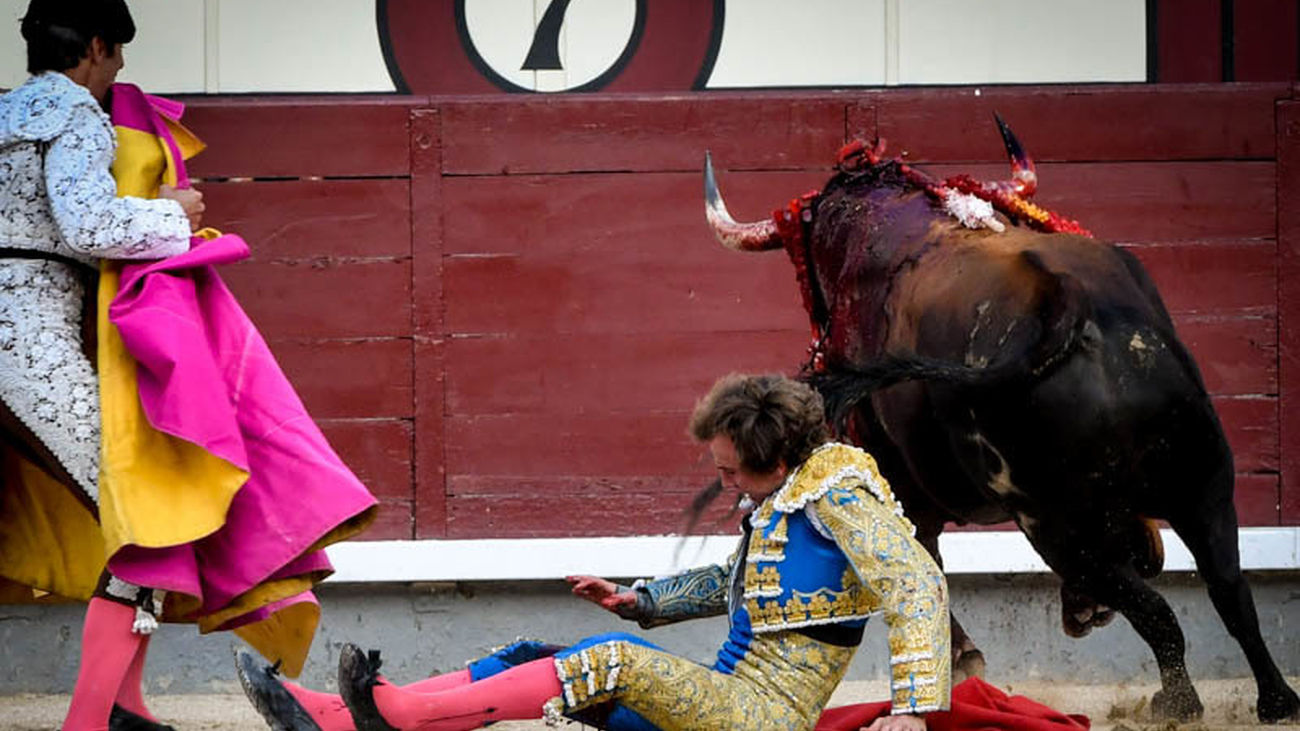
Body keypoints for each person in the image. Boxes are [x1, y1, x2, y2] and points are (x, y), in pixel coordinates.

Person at [0, 2, 376, 729]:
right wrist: (172, 212)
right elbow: (91, 223)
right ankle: (93, 716)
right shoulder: (77, 112)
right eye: (114, 63)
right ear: (97, 47)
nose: (114, 79)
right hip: (26, 341)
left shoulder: (6, 113)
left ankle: (122, 706)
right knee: (149, 518)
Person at [235, 373, 952, 731]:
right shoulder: (788, 498)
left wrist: (915, 710)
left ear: (776, 456)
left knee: (609, 658)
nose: (724, 481)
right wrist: (641, 600)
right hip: (718, 701)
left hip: (760, 718)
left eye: (733, 470)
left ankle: (399, 721)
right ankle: (333, 716)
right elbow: (736, 582)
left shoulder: (839, 492)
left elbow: (917, 583)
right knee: (528, 654)